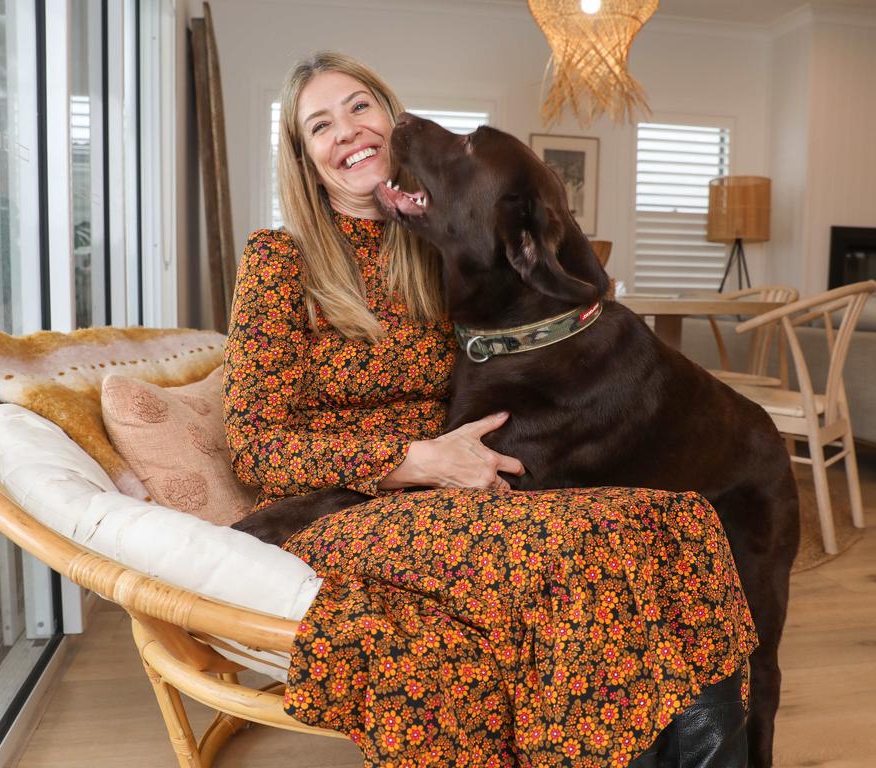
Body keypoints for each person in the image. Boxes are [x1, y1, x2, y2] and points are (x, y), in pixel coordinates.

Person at [222, 51, 756, 768]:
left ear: (388, 117)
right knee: (589, 557)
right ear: (305, 158)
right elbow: (254, 444)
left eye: (358, 106)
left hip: (457, 499)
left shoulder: (438, 246)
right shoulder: (280, 259)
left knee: (681, 521)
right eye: (319, 124)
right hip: (337, 510)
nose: (347, 130)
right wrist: (415, 460)